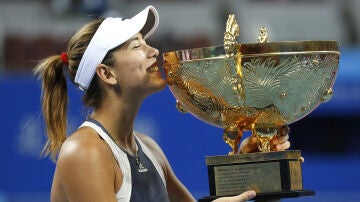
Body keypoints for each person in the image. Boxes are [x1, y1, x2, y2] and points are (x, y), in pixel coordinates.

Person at [34, 5, 290, 202]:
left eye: (146, 43)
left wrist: (248, 166)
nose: (153, 51)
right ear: (107, 74)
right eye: (137, 46)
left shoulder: (149, 149)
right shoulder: (83, 152)